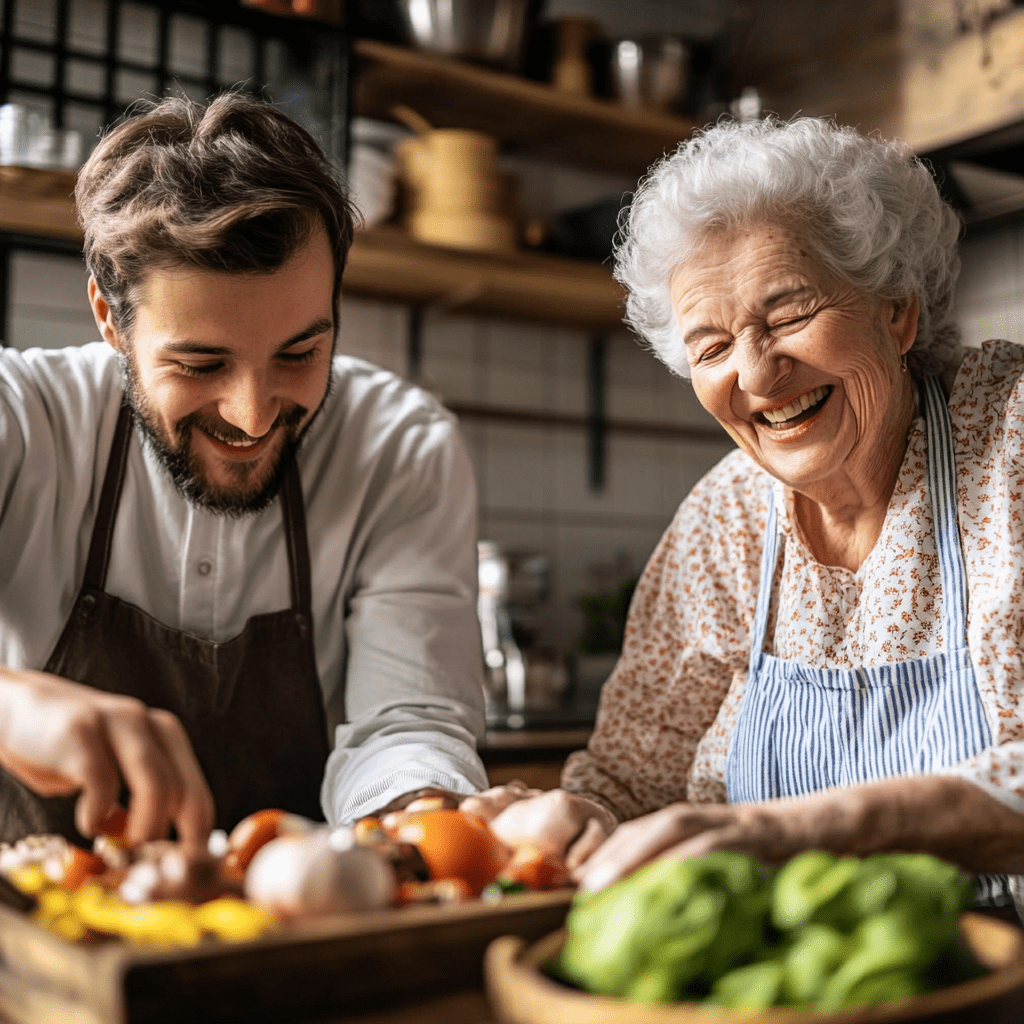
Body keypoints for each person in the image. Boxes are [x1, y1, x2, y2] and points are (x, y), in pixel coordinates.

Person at [465, 116, 1024, 918]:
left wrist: (806, 830)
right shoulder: (724, 520)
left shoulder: (1010, 444)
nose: (757, 372)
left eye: (791, 314)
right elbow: (632, 777)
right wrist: (585, 819)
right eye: (712, 344)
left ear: (897, 313)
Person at [0, 91, 489, 851]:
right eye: (200, 363)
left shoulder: (400, 447)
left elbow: (407, 722)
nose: (254, 415)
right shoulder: (22, 418)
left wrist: (424, 813)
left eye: (299, 354)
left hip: (283, 946)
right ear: (110, 319)